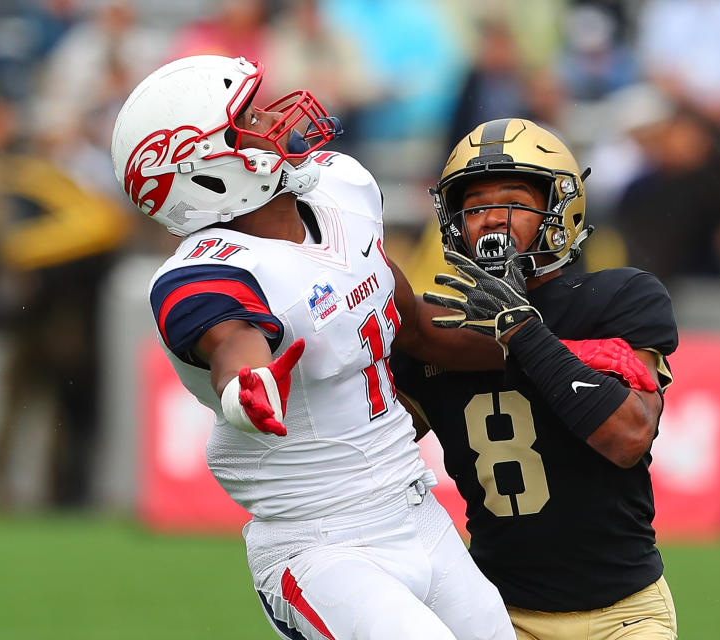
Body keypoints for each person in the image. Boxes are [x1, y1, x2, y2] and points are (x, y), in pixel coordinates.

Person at [110, 55, 516, 640]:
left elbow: (418, 330)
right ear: (203, 173)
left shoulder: (340, 189)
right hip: (321, 547)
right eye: (246, 118)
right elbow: (233, 343)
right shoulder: (202, 275)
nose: (273, 119)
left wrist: (555, 350)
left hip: (417, 511)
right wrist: (246, 388)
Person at [392, 118, 680, 639]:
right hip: (494, 613)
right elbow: (370, 452)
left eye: (513, 201)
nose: (491, 220)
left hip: (624, 613)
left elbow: (628, 436)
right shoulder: (436, 329)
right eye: (474, 206)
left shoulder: (618, 297)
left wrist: (521, 330)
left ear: (558, 208)